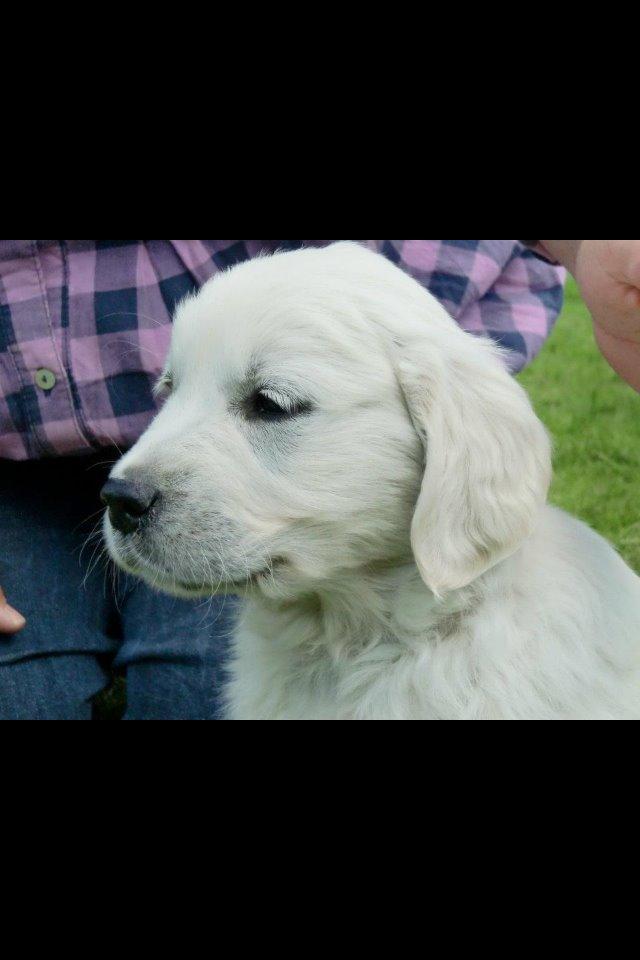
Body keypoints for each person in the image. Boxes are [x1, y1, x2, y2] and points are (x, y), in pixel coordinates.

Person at [0, 239, 637, 720]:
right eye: (173, 391)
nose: (133, 475)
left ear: (452, 444)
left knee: (184, 692)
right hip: (19, 479)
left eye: (270, 404)